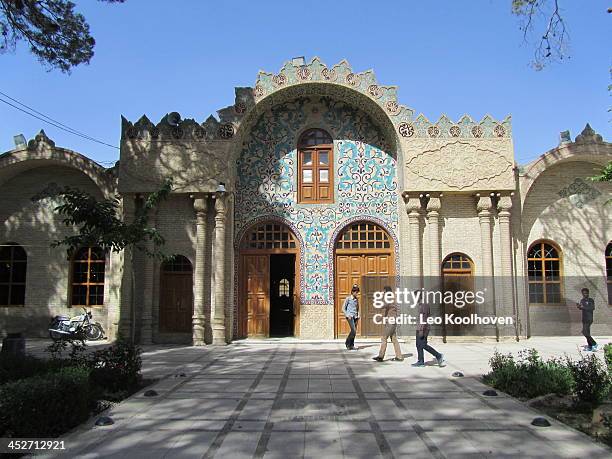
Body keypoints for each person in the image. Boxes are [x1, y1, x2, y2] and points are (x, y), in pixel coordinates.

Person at [373, 286, 403, 362]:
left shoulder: (390, 298)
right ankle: (399, 356)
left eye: (384, 291)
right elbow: (387, 311)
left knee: (384, 338)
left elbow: (383, 306)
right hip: (391, 321)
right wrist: (381, 318)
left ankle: (381, 356)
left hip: (391, 322)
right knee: (394, 338)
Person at [412, 301, 445, 367]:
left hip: (423, 328)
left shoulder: (424, 305)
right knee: (418, 345)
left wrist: (421, 330)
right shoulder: (421, 305)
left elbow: (423, 319)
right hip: (420, 327)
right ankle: (421, 361)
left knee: (423, 345)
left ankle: (438, 355)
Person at [342, 284, 360, 350]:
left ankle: (351, 345)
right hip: (350, 316)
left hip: (355, 317)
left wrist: (358, 315)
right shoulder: (348, 298)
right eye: (356, 292)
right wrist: (347, 315)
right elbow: (343, 308)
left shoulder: (356, 299)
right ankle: (347, 342)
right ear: (352, 292)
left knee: (354, 332)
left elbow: (357, 308)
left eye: (357, 292)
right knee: (353, 330)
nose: (356, 293)